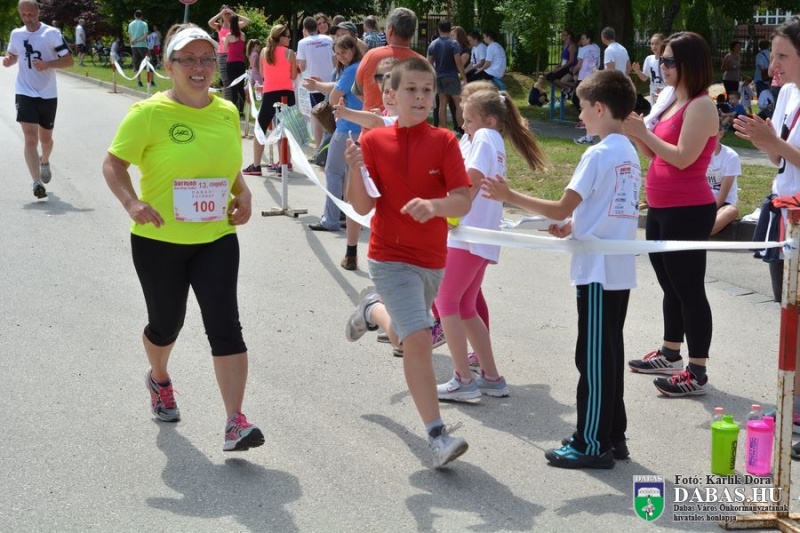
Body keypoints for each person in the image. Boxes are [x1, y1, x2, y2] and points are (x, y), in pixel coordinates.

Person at [101, 23, 263, 452]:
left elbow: (228, 167)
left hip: (216, 237)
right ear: (169, 65)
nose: (199, 67)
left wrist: (243, 193)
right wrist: (132, 203)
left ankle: (235, 421)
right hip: (159, 240)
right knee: (166, 324)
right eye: (188, 59)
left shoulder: (225, 111)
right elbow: (113, 164)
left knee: (225, 325)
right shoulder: (148, 113)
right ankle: (159, 379)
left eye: (207, 59)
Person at [483, 69, 641, 469]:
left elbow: (560, 207)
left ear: (600, 108)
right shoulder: (627, 151)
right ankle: (612, 435)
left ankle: (591, 443)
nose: (580, 115)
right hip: (616, 268)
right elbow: (605, 207)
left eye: (583, 108)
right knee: (607, 353)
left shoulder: (598, 153)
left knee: (593, 360)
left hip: (598, 271)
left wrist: (508, 194)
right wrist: (575, 225)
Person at [343, 57, 473, 468]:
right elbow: (362, 206)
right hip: (389, 257)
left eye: (427, 90)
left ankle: (370, 309)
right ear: (390, 95)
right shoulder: (373, 142)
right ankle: (437, 435)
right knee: (418, 339)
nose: (420, 97)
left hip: (432, 260)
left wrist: (434, 206)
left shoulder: (445, 141)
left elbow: (463, 201)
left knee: (404, 336)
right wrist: (354, 169)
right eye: (411, 89)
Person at [435, 87, 547, 402]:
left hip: (467, 233)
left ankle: (464, 379)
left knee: (447, 303)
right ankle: (491, 378)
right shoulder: (488, 138)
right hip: (478, 234)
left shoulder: (484, 137)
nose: (464, 125)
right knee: (465, 306)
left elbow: (470, 179)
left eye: (468, 120)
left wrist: (446, 210)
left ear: (489, 120)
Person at [623, 31, 718, 397]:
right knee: (670, 285)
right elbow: (654, 153)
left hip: (688, 209)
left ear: (689, 64)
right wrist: (637, 134)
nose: (661, 66)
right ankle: (670, 352)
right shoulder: (671, 99)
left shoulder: (701, 105)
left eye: (668, 61)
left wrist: (642, 132)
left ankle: (697, 371)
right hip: (662, 207)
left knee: (689, 289)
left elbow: (682, 158)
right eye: (661, 60)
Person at [734, 15, 800, 456]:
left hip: (799, 213)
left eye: (782, 55)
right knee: (789, 310)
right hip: (783, 210)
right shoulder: (788, 93)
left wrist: (774, 144)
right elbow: (779, 157)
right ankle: (793, 400)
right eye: (773, 54)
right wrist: (762, 138)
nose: (773, 64)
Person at [3, 0, 74, 200]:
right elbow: (13, 54)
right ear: (20, 13)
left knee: (46, 139)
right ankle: (36, 182)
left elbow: (69, 61)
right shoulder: (16, 34)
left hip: (47, 93)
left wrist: (48, 64)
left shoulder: (51, 33)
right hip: (24, 91)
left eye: (31, 14)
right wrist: (9, 60)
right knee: (30, 138)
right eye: (24, 14)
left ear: (38, 12)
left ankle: (45, 161)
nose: (28, 18)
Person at [303, 35, 363, 237]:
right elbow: (337, 87)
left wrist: (334, 103)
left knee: (333, 172)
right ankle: (350, 217)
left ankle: (330, 219)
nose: (340, 57)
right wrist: (319, 86)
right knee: (349, 175)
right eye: (337, 54)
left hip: (346, 127)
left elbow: (334, 95)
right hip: (359, 126)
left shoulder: (351, 69)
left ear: (353, 49)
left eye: (343, 52)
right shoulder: (359, 67)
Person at [243, 24, 296, 176]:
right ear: (281, 37)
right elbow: (293, 76)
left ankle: (256, 165)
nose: (290, 39)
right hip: (287, 93)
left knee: (260, 128)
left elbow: (262, 74)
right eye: (288, 36)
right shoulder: (290, 53)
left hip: (270, 93)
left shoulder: (264, 52)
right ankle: (284, 164)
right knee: (285, 129)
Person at [354, 7, 422, 121]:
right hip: (409, 127)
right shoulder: (422, 63)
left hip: (372, 127)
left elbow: (358, 91)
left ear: (390, 30)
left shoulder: (371, 56)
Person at [297, 16, 335, 154]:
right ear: (316, 27)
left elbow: (302, 66)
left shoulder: (302, 42)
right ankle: (332, 146)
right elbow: (335, 60)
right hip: (329, 82)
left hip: (313, 84)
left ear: (305, 29)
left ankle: (319, 149)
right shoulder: (328, 39)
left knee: (317, 116)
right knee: (332, 114)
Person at [427, 20, 466, 133]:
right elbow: (458, 63)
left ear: (438, 29)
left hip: (439, 76)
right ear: (449, 29)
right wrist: (464, 77)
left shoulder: (433, 44)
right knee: (458, 104)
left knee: (442, 104)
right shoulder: (454, 43)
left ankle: (444, 130)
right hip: (452, 76)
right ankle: (461, 130)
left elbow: (429, 63)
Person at [208, 5, 250, 101]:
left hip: (234, 56)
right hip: (223, 55)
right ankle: (228, 101)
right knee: (226, 81)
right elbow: (210, 22)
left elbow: (247, 21)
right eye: (225, 14)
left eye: (228, 14)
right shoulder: (219, 26)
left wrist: (234, 13)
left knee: (237, 82)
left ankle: (236, 102)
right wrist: (220, 14)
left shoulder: (235, 25)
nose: (227, 15)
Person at [707, 120, 741, 235]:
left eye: (712, 131)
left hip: (722, 203)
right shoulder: (697, 153)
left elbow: (723, 195)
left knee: (731, 211)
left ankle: (698, 234)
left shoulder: (731, 157)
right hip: (701, 201)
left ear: (720, 133)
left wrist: (709, 211)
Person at [572, 30, 602, 142]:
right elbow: (598, 62)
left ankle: (585, 118)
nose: (582, 41)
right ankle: (590, 119)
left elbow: (579, 64)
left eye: (584, 39)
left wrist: (574, 71)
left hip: (584, 77)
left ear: (589, 39)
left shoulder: (582, 49)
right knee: (591, 100)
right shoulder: (596, 48)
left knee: (577, 98)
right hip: (593, 76)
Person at [631, 33, 665, 104]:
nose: (654, 46)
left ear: (662, 44)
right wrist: (637, 71)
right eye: (652, 44)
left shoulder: (667, 59)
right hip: (653, 93)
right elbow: (644, 78)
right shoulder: (649, 59)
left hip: (665, 91)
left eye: (657, 43)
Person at [222, 14, 246, 115]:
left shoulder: (229, 35)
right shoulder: (243, 35)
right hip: (240, 63)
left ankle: (234, 109)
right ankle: (241, 110)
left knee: (233, 87)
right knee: (240, 87)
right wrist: (238, 15)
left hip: (231, 62)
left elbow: (224, 49)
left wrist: (225, 40)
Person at [547, 29, 578, 95]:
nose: (562, 36)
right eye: (561, 35)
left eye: (564, 35)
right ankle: (565, 89)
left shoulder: (572, 45)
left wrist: (560, 68)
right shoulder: (564, 45)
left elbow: (571, 60)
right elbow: (562, 59)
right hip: (564, 66)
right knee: (549, 76)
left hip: (569, 68)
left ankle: (568, 89)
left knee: (552, 77)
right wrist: (557, 67)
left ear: (569, 36)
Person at [128, 10, 149, 87]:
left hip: (134, 46)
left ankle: (139, 82)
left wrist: (132, 42)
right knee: (147, 63)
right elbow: (145, 36)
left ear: (134, 15)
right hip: (143, 45)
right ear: (142, 16)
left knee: (137, 64)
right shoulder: (144, 24)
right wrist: (137, 40)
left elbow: (130, 35)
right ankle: (150, 81)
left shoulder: (130, 24)